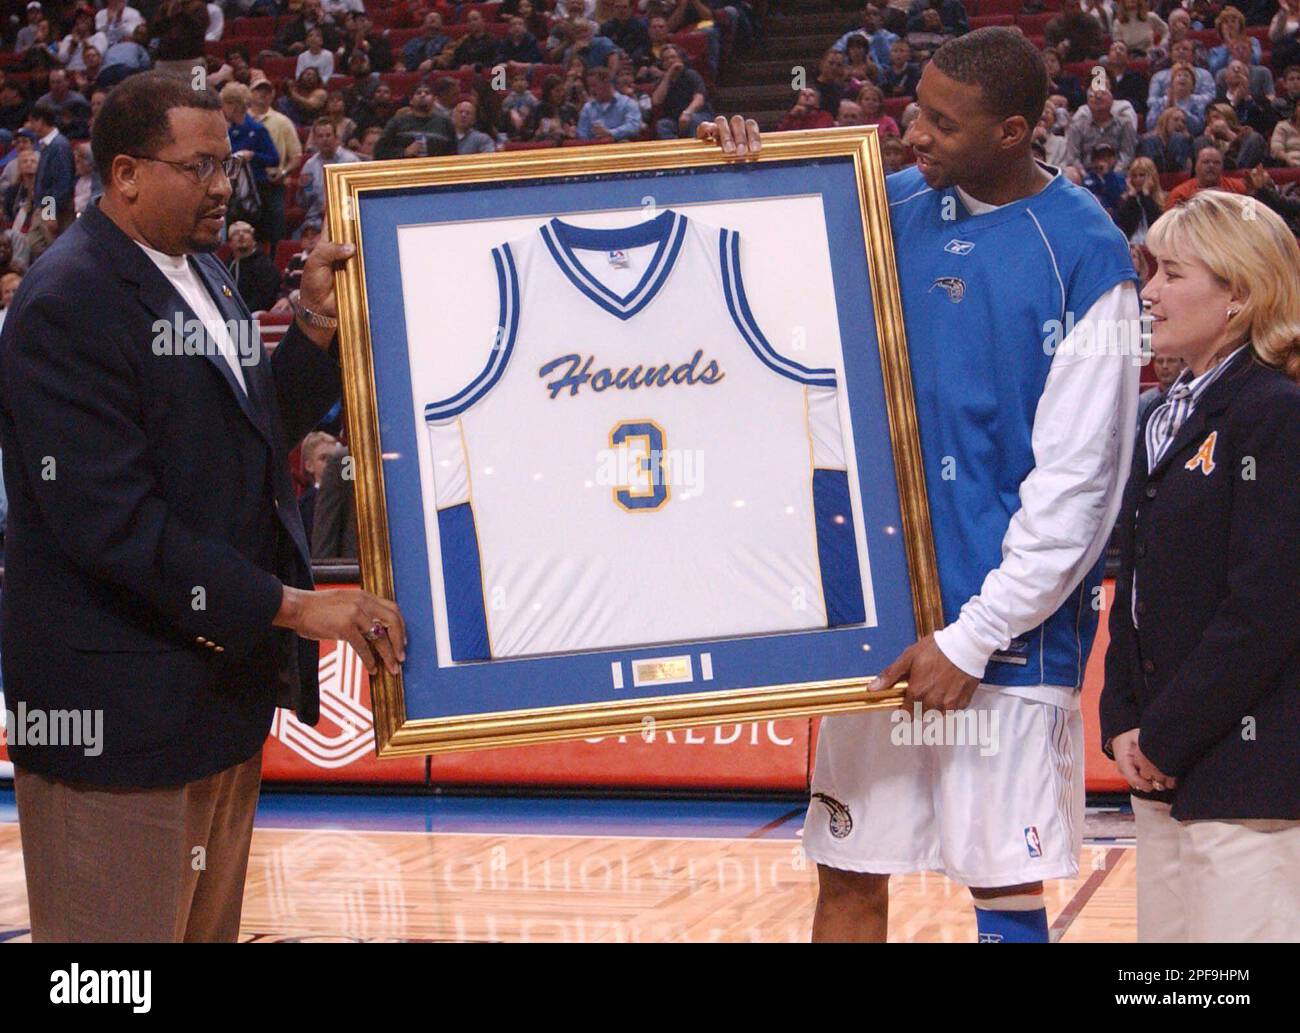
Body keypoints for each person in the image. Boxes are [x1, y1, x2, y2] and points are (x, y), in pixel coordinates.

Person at [702, 27, 1140, 944]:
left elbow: (1082, 490)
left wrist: (973, 638)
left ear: (1014, 130)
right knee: (849, 874)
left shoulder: (1091, 258)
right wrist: (730, 173)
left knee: (1005, 895)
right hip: (879, 624)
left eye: (944, 122)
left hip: (1006, 645)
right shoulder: (886, 205)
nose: (914, 132)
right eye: (916, 107)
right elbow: (735, 268)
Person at [0, 71, 406, 943]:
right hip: (117, 731)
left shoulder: (205, 275)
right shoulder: (67, 302)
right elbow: (118, 529)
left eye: (227, 166)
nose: (226, 185)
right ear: (126, 173)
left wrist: (315, 329)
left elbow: (246, 436)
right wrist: (296, 607)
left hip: (213, 707)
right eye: (201, 167)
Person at [1100, 191, 1300, 942]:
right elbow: (1138, 586)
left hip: (1250, 775)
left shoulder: (1277, 412)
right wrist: (1122, 717)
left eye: (1172, 273)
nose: (1148, 291)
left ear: (1239, 294)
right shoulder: (1161, 413)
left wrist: (1165, 733)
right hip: (1165, 768)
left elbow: (1267, 609)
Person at [299, 119, 360, 228]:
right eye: (320, 136)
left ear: (336, 138)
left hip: (346, 218)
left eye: (328, 135)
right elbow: (305, 203)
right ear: (315, 140)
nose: (324, 140)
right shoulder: (309, 166)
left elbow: (359, 195)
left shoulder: (351, 162)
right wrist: (302, 189)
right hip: (316, 220)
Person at [373, 80, 456, 159]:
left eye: (427, 93)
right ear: (411, 101)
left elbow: (453, 155)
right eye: (418, 93)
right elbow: (379, 152)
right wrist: (404, 152)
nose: (423, 95)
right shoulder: (397, 122)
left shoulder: (446, 123)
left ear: (434, 100)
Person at [651, 44, 711, 139]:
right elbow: (656, 101)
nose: (670, 61)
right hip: (674, 119)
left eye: (673, 57)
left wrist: (687, 113)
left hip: (698, 114)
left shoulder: (691, 75)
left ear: (680, 59)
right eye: (666, 59)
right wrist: (668, 74)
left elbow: (699, 98)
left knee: (694, 120)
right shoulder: (663, 81)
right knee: (662, 125)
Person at [1163, 144, 1245, 208]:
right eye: (1206, 162)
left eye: (1216, 163)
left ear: (1222, 167)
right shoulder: (1180, 195)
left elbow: (1249, 218)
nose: (1211, 166)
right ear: (1195, 166)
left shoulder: (1238, 188)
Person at [578, 66, 644, 141]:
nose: (591, 90)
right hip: (595, 147)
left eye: (594, 86)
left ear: (607, 84)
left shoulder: (628, 103)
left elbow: (634, 126)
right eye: (589, 86)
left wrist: (610, 133)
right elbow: (582, 133)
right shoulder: (588, 107)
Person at [1115, 155, 1165, 243]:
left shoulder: (1162, 199)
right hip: (1131, 244)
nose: (1137, 179)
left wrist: (1146, 195)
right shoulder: (1125, 200)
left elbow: (1155, 224)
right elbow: (1127, 228)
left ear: (1151, 176)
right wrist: (1131, 197)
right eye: (1134, 176)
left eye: (1141, 175)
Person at [1138, 105, 1195, 172]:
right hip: (1154, 177)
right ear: (1165, 121)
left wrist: (1188, 140)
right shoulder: (1149, 140)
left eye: (1183, 122)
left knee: (1179, 139)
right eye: (1176, 120)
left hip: (1176, 177)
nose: (1180, 124)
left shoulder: (1184, 141)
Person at [1135, 352, 1184, 427]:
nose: (1165, 366)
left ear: (1182, 365)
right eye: (1160, 361)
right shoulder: (1143, 401)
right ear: (1154, 365)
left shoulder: (1190, 396)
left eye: (1171, 361)